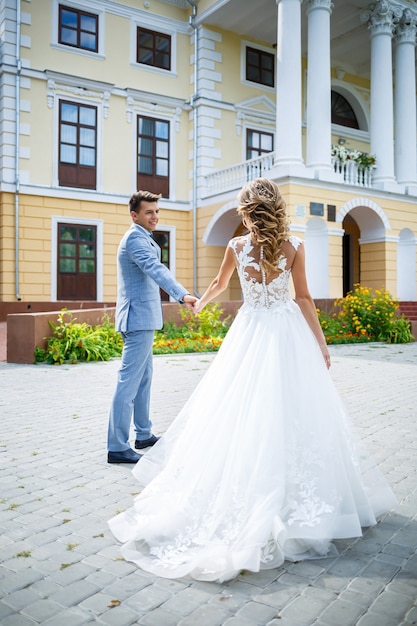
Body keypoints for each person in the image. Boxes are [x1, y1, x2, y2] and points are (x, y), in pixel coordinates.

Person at [108, 178, 397, 581]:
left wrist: (198, 304)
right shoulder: (294, 246)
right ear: (276, 207)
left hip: (250, 333)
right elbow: (304, 299)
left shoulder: (236, 247)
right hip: (287, 334)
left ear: (247, 210)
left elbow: (218, 284)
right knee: (295, 409)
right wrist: (322, 344)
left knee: (240, 408)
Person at [107, 190, 197, 464]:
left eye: (157, 212)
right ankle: (117, 446)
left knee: (143, 381)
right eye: (149, 212)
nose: (155, 217)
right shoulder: (135, 238)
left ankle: (143, 433)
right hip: (137, 320)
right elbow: (155, 268)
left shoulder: (142, 237)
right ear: (134, 215)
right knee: (128, 383)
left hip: (142, 318)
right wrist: (183, 294)